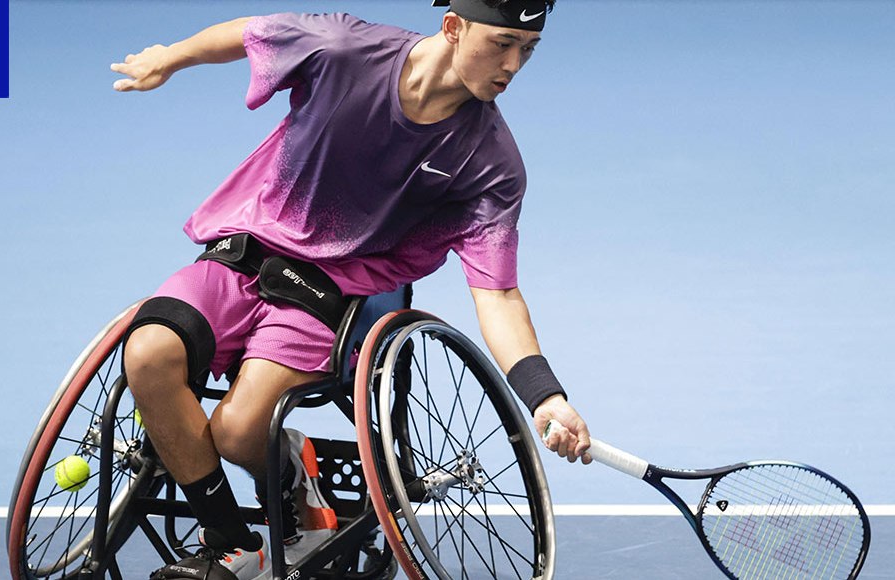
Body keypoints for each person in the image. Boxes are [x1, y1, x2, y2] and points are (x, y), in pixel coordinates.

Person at [110, 1, 591, 578]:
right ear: (453, 27)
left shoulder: (491, 163)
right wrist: (171, 57)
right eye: (502, 43)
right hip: (247, 244)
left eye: (527, 50)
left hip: (337, 286)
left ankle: (294, 475)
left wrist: (545, 396)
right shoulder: (344, 50)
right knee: (147, 353)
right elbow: (250, 32)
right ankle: (231, 543)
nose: (513, 65)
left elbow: (498, 295)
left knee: (238, 432)